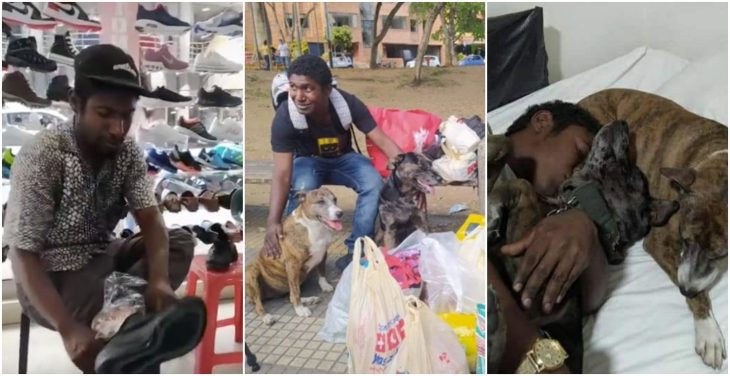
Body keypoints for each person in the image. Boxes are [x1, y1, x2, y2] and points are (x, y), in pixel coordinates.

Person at [3, 44, 197, 373]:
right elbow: (22, 255)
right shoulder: (44, 155)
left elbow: (151, 221)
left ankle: (130, 324)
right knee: (128, 329)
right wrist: (67, 328)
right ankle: (134, 328)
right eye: (105, 114)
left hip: (102, 255)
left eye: (126, 115)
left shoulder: (127, 153)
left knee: (180, 242)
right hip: (51, 273)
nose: (118, 129)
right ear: (76, 104)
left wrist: (160, 281)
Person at [488, 101, 609, 373]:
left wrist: (585, 229)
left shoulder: (556, 214)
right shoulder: (478, 150)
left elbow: (592, 299)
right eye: (580, 152)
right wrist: (531, 354)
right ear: (543, 122)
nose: (578, 174)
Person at [264, 55, 402, 271]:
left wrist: (408, 173)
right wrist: (273, 222)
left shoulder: (347, 104)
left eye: (308, 89)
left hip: (344, 159)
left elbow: (382, 140)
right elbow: (282, 173)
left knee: (374, 184)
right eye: (293, 87)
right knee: (303, 186)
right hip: (307, 162)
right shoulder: (285, 117)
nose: (298, 96)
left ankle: (357, 250)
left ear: (327, 90)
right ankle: (294, 253)